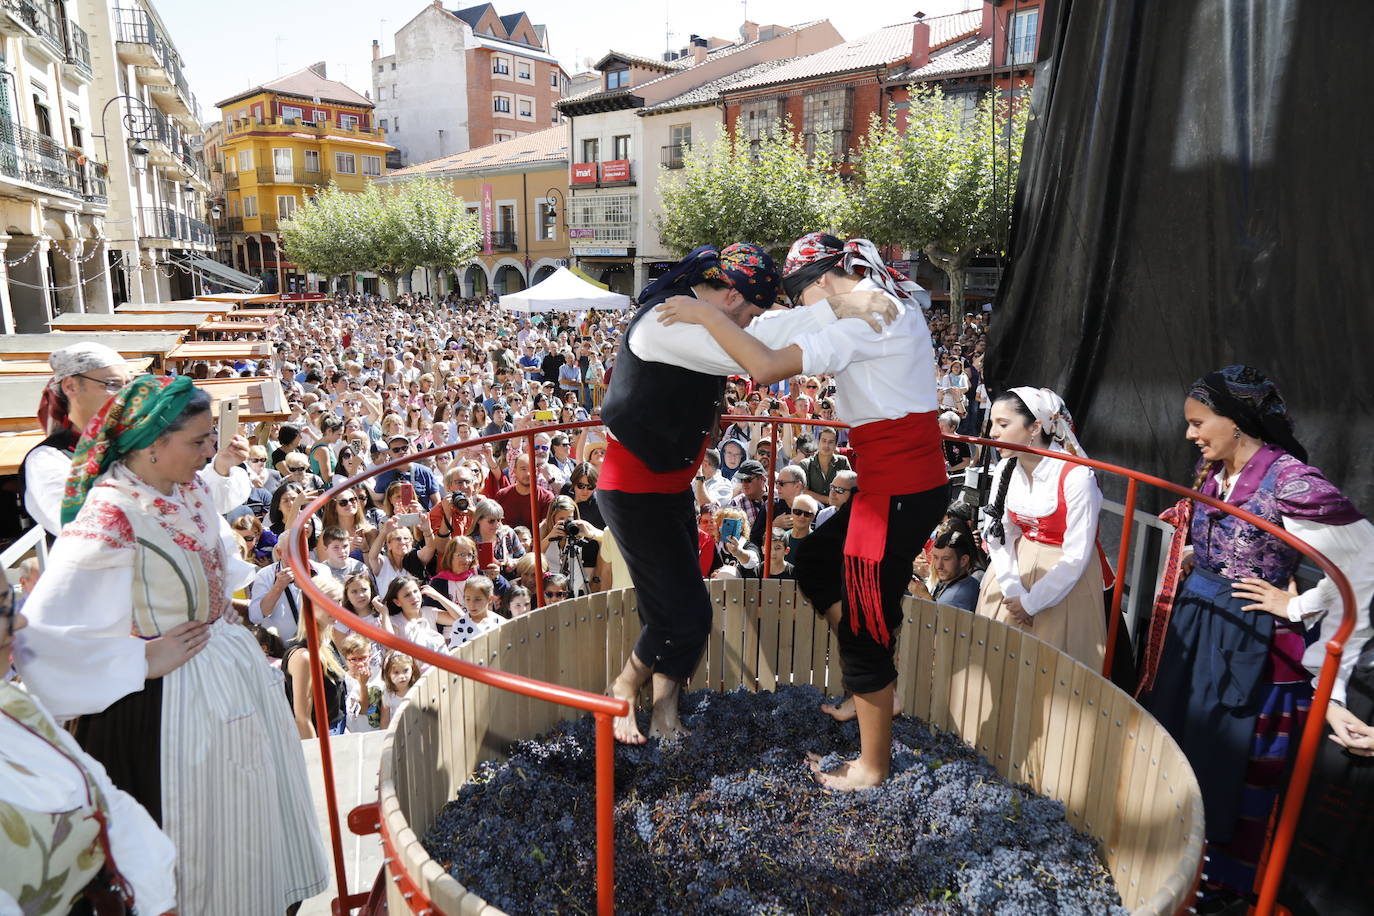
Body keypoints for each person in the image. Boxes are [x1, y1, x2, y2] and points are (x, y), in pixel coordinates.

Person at [15, 375, 328, 915]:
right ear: (152, 443)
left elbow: (208, 564)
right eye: (199, 440)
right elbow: (43, 634)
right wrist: (139, 657)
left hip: (225, 674)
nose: (211, 451)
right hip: (166, 707)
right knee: (197, 853)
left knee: (251, 831)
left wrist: (219, 604)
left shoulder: (188, 488)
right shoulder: (109, 513)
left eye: (212, 438)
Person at [655, 232, 948, 789]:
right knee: (815, 565)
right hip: (896, 486)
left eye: (795, 293)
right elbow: (799, 322)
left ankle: (871, 765)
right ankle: (872, 689)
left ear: (818, 282)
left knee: (865, 622)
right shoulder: (871, 301)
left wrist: (702, 314)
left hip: (896, 495)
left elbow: (764, 367)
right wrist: (830, 303)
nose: (790, 304)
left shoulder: (866, 321)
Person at [598, 243, 892, 745]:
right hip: (634, 490)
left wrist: (826, 312)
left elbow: (758, 327)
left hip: (666, 487)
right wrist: (841, 307)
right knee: (686, 613)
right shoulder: (663, 322)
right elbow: (753, 342)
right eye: (752, 307)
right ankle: (622, 690)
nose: (755, 316)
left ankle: (665, 716)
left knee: (664, 611)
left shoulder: (707, 312)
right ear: (731, 295)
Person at [1137, 366, 1374, 904]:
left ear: (1237, 421)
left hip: (1240, 637)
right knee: (1176, 738)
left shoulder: (1291, 480)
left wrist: (1297, 604)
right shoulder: (1216, 469)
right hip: (1195, 621)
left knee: (1219, 756)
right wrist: (1203, 551)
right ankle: (1164, 858)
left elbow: (1366, 556)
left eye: (1199, 423)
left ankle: (1211, 885)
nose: (1190, 435)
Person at [0, 581, 177, 916]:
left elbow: (110, 803)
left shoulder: (16, 706)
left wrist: (159, 904)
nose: (19, 622)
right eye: (3, 605)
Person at [22, 342, 251, 537]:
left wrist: (222, 466)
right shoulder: (48, 460)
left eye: (128, 384)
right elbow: (86, 525)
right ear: (71, 386)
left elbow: (198, 500)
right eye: (112, 385)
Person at [975, 388, 1108, 669]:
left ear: (1035, 427)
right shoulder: (1006, 469)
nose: (993, 433)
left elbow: (1077, 554)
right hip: (1013, 568)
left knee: (1053, 666)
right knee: (998, 659)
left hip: (1065, 578)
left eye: (1003, 424)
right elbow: (999, 535)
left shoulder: (1076, 477)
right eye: (992, 424)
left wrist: (1032, 603)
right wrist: (1012, 589)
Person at [910, 525, 981, 611]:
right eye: (935, 557)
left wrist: (925, 596)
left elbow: (942, 622)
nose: (938, 566)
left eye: (946, 559)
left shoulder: (959, 594)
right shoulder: (960, 581)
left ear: (963, 560)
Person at [799, 427, 851, 504]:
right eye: (824, 441)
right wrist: (829, 500)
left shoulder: (843, 461)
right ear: (818, 443)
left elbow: (850, 488)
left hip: (837, 509)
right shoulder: (805, 464)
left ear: (836, 445)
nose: (826, 445)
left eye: (831, 442)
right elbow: (803, 492)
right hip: (811, 511)